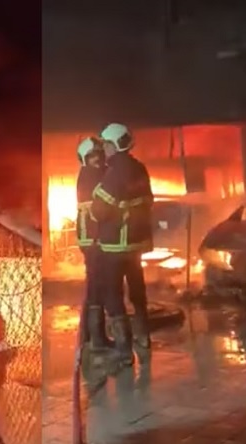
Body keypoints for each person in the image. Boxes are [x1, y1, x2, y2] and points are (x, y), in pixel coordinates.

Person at [91, 123, 154, 365]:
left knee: (112, 293)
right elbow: (148, 200)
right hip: (136, 243)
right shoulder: (140, 169)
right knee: (137, 289)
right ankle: (143, 336)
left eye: (106, 144)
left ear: (114, 145)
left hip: (115, 245)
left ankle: (123, 349)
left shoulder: (114, 173)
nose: (104, 150)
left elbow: (99, 210)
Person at [75, 137, 112, 351]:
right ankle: (96, 339)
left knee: (96, 286)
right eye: (92, 156)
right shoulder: (91, 176)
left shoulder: (94, 173)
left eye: (99, 154)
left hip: (95, 238)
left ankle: (92, 336)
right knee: (96, 287)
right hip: (93, 239)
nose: (97, 159)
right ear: (85, 158)